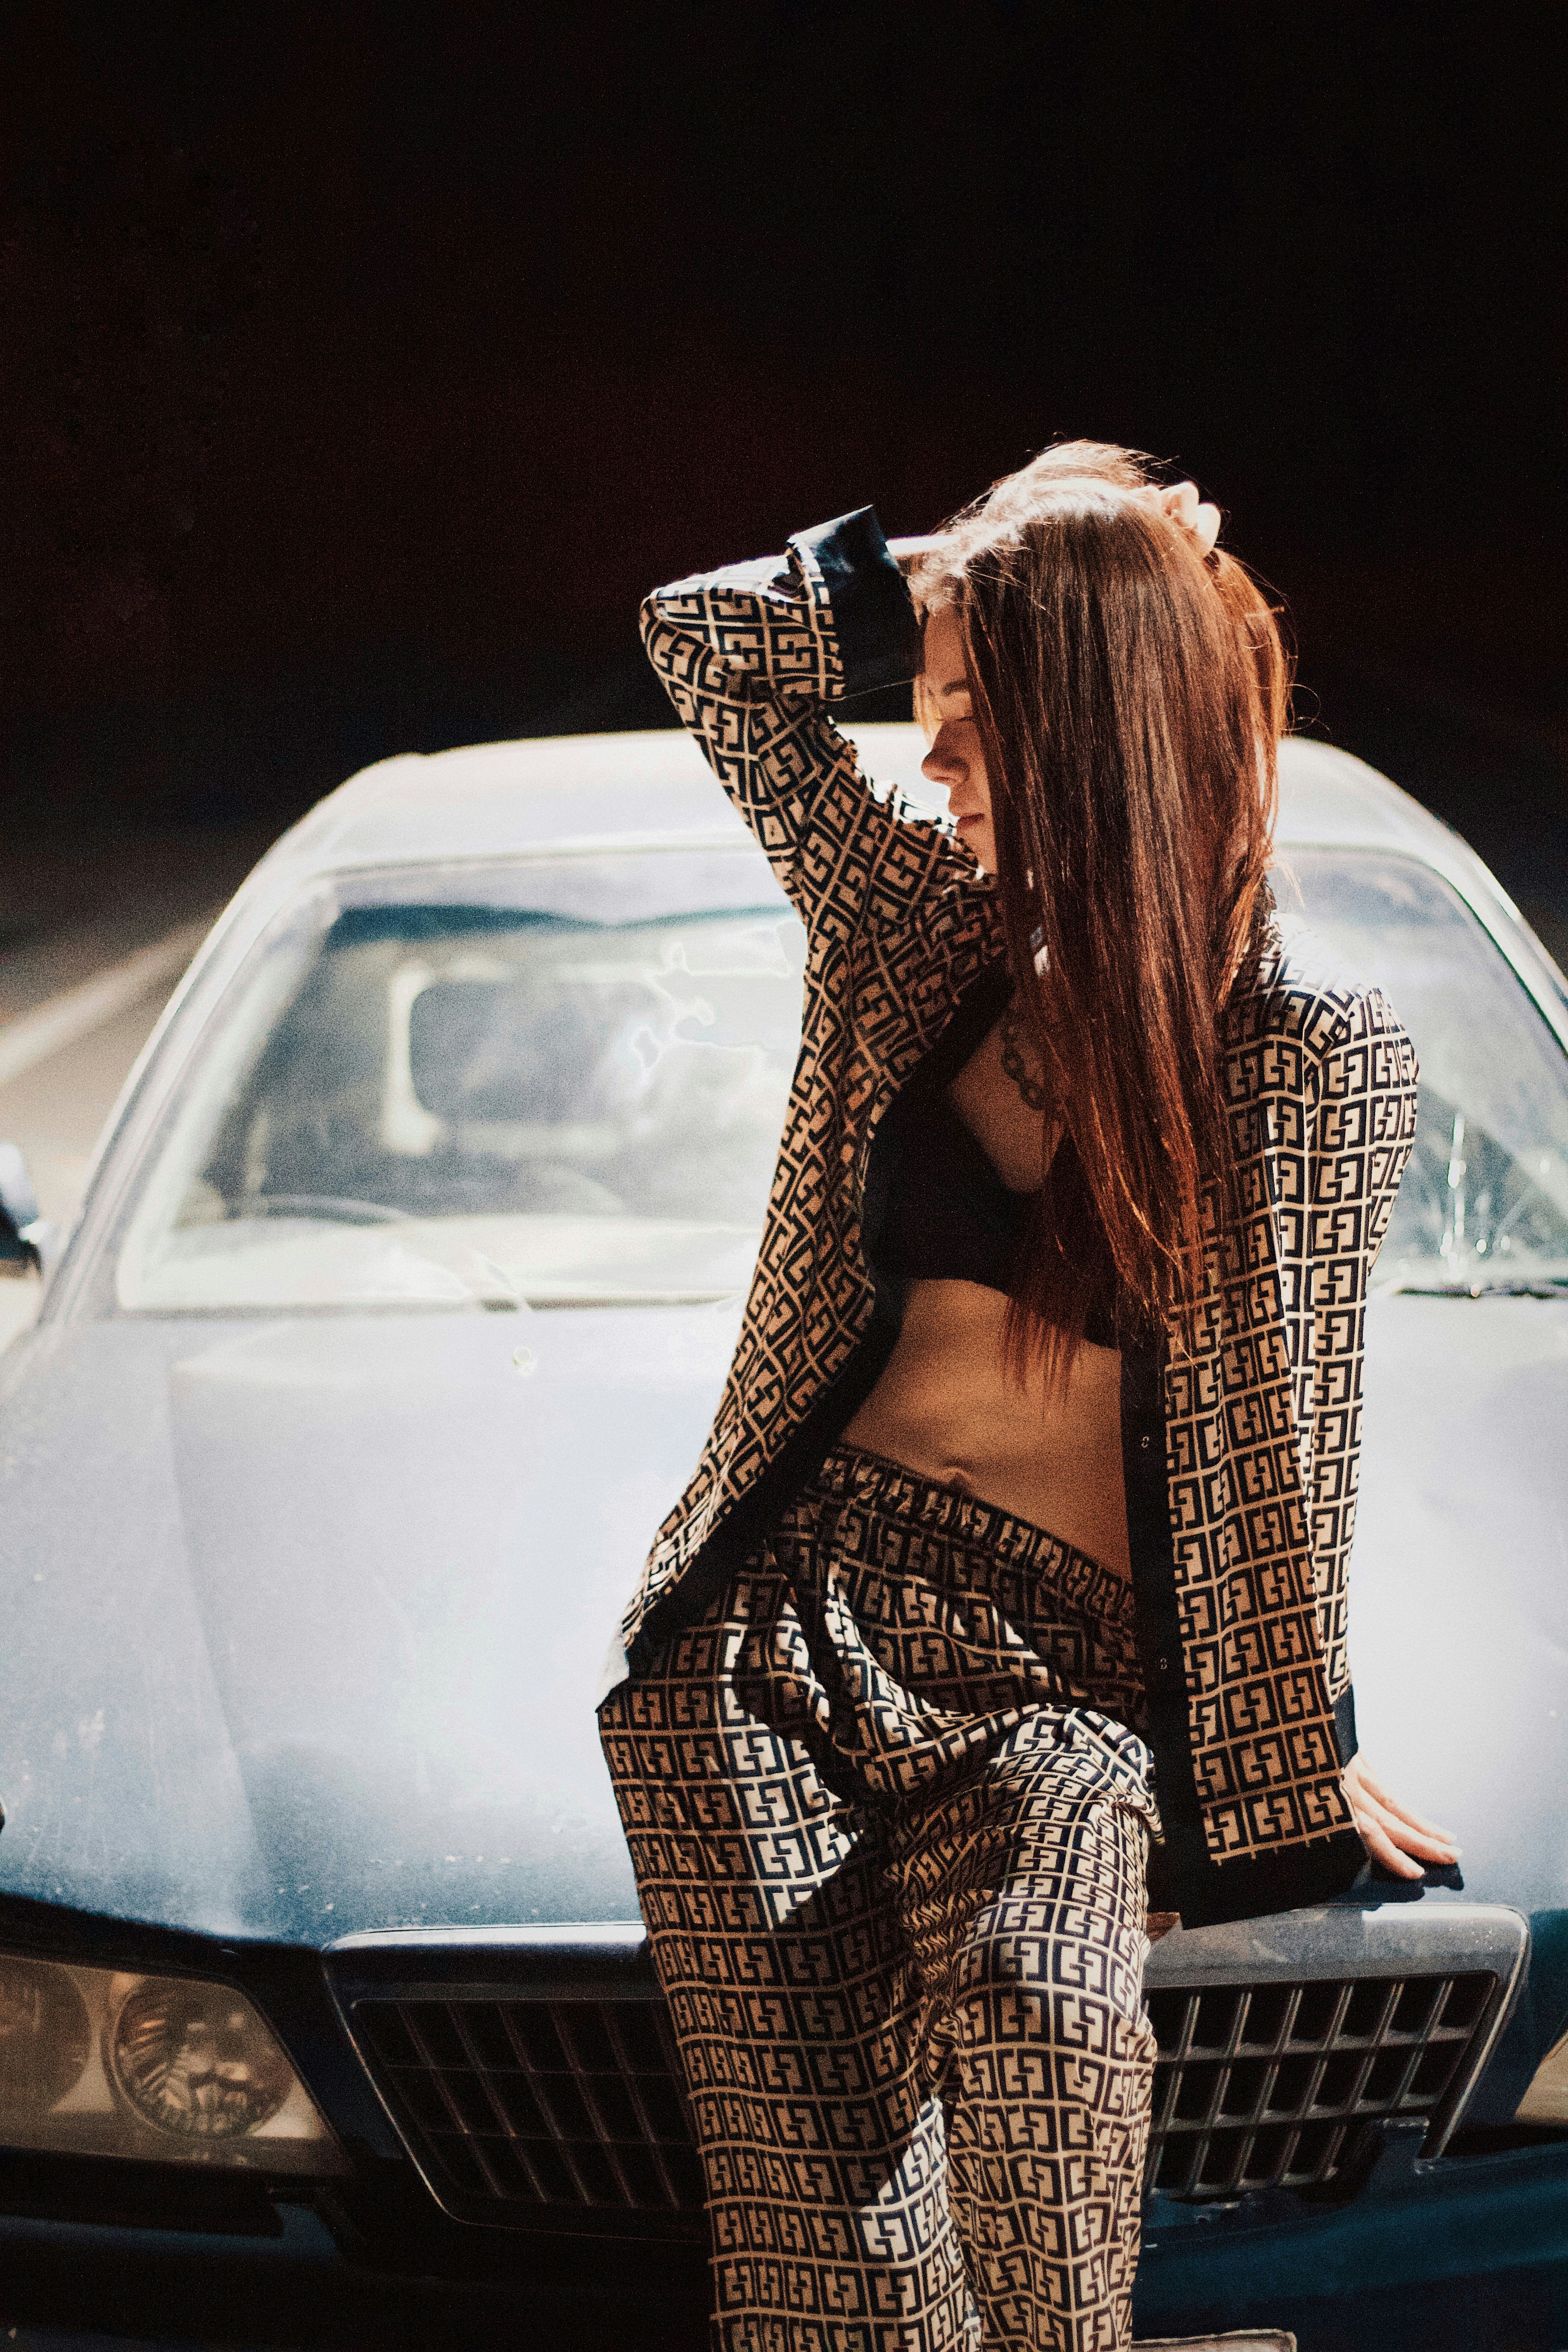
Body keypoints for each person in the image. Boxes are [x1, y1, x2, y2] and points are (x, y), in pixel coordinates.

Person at [597, 440, 1458, 2352]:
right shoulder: (918, 937)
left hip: (1057, 1680)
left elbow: (1275, 1437)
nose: (931, 764)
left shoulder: (1305, 1055)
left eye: (976, 719)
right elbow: (704, 643)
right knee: (835, 2288)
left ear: (1096, 727)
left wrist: (1275, 1747)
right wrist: (998, 557)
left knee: (1054, 2082)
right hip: (778, 1643)